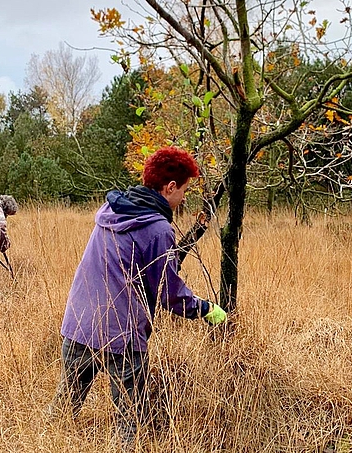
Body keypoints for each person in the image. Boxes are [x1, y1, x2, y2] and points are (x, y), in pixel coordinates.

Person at [48, 146, 227, 450]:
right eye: (183, 190)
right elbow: (169, 294)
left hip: (79, 325)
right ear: (170, 187)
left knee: (65, 406)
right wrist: (207, 309)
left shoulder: (110, 210)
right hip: (122, 335)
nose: (184, 198)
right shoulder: (158, 229)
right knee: (130, 419)